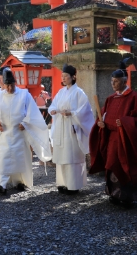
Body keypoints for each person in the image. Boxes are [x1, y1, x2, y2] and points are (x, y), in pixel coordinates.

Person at [89, 62, 137, 208]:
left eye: (116, 81)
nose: (113, 84)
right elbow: (102, 115)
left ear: (124, 81)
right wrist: (100, 123)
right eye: (112, 81)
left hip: (126, 139)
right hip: (112, 138)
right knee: (111, 165)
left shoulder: (134, 98)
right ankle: (114, 194)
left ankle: (127, 197)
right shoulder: (111, 99)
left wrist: (125, 122)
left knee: (125, 166)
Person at [0, 69, 52, 194]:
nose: (9, 88)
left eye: (12, 85)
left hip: (19, 131)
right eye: (7, 86)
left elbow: (32, 112)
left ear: (15, 82)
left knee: (20, 157)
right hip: (5, 132)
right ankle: (1, 184)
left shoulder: (24, 94)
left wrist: (25, 122)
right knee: (3, 157)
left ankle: (20, 182)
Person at [48, 64, 95, 195]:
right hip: (61, 127)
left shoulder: (79, 93)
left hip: (72, 128)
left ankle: (74, 185)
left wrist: (72, 113)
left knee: (72, 157)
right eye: (62, 76)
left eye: (65, 76)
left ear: (73, 77)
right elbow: (53, 105)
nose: (63, 78)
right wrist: (53, 110)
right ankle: (63, 183)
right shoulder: (61, 92)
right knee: (62, 157)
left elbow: (85, 111)